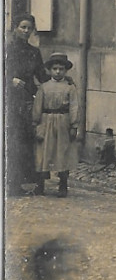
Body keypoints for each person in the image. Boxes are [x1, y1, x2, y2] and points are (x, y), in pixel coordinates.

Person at [5, 12, 48, 196]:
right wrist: (10, 80)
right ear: (15, 28)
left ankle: (26, 182)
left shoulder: (34, 52)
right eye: (23, 27)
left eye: (29, 28)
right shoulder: (6, 49)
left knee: (27, 141)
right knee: (12, 141)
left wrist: (59, 82)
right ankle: (11, 184)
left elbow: (41, 75)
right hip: (9, 100)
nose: (26, 31)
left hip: (27, 99)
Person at [32, 53, 80, 197]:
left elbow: (74, 107)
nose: (58, 72)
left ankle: (63, 185)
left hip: (63, 122)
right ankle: (40, 185)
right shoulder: (44, 87)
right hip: (46, 121)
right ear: (49, 70)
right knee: (43, 152)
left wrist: (74, 125)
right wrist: (35, 124)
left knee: (62, 152)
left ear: (65, 71)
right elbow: (37, 107)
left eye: (61, 69)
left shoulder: (70, 88)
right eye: (55, 69)